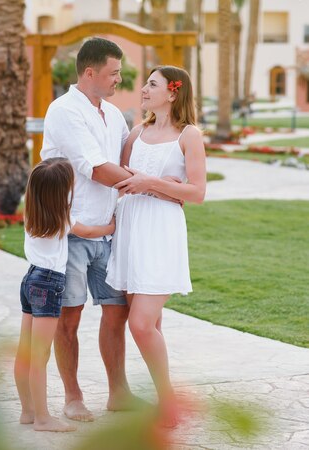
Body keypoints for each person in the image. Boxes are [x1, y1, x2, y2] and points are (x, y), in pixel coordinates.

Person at [40, 37, 137, 421]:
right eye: (114, 72)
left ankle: (119, 393)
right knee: (70, 317)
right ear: (90, 72)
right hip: (74, 234)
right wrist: (149, 185)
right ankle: (73, 397)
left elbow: (130, 154)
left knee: (117, 312)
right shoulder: (63, 111)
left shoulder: (113, 115)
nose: (119, 79)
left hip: (110, 234)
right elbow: (96, 168)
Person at [106, 65, 206, 428]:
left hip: (161, 232)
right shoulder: (137, 132)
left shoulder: (189, 135)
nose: (143, 89)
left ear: (173, 92)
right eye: (146, 84)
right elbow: (118, 177)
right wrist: (145, 182)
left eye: (152, 84)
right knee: (152, 324)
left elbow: (197, 193)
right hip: (131, 229)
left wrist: (155, 184)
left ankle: (168, 403)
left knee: (141, 324)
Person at [14, 157, 115, 432]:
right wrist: (111, 226)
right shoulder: (64, 219)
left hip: (30, 279)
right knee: (40, 356)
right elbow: (92, 231)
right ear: (63, 193)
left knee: (26, 352)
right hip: (49, 283)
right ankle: (43, 419)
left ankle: (28, 411)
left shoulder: (31, 214)